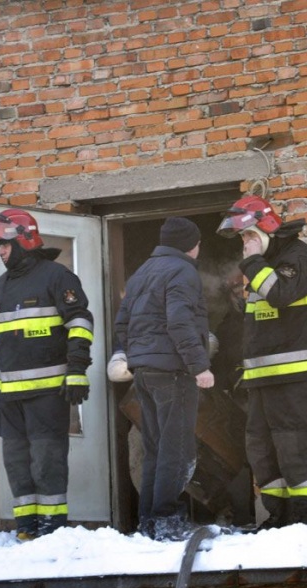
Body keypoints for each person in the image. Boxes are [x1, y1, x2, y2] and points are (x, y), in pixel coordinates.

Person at [0, 208, 94, 541]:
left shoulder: (56, 276)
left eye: (4, 244)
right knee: (16, 463)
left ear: (24, 240)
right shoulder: (2, 286)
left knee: (46, 462)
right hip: (10, 397)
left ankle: (52, 529)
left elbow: (80, 322)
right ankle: (26, 528)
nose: (0, 251)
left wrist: (77, 370)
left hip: (48, 394)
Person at [217, 195, 307, 529]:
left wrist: (253, 262)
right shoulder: (266, 265)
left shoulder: (299, 258)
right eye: (242, 238)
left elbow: (280, 294)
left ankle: (305, 519)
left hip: (294, 374)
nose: (245, 243)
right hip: (263, 376)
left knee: (294, 443)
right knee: (262, 447)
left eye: (249, 235)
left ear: (266, 227)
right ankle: (278, 517)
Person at [114, 216, 214, 541]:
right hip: (173, 372)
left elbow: (121, 324)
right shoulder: (183, 271)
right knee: (177, 449)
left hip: (143, 372)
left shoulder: (142, 273)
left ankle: (149, 522)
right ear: (191, 244)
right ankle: (167, 520)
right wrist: (199, 366)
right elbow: (179, 321)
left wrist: (138, 357)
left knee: (156, 449)